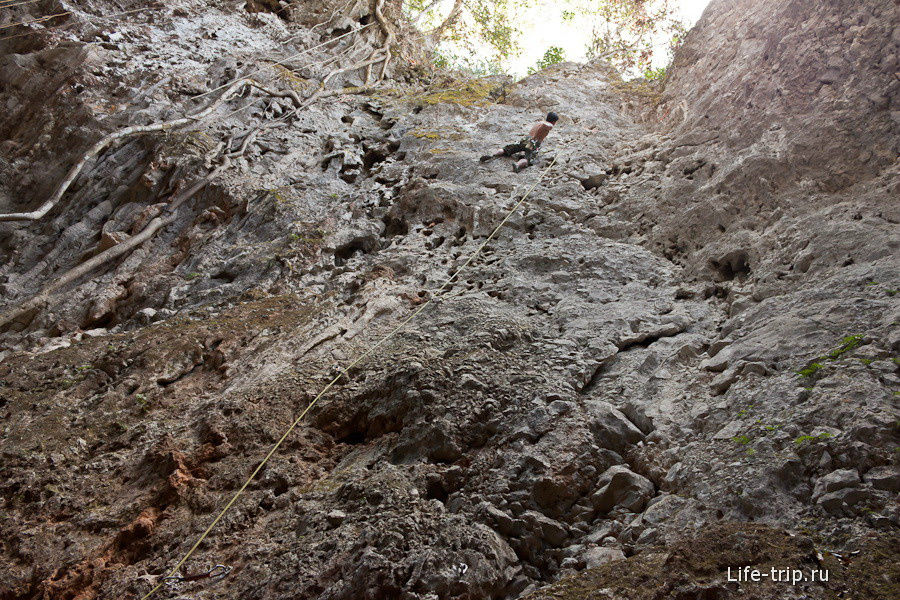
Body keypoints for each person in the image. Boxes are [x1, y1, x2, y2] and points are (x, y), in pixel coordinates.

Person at [481, 112, 559, 172]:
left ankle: (493, 154)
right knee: (528, 158)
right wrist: (550, 125)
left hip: (525, 140)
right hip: (534, 143)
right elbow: (548, 126)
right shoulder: (548, 125)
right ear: (554, 121)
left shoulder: (539, 123)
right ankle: (517, 164)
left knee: (507, 149)